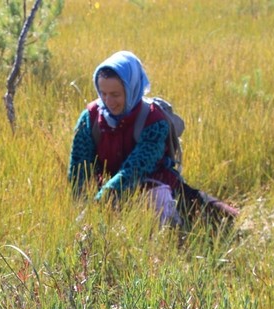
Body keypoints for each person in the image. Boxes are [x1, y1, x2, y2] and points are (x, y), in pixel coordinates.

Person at [68, 50, 238, 226]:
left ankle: (172, 240)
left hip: (152, 186)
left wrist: (98, 204)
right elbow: (79, 169)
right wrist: (82, 206)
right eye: (103, 93)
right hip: (105, 190)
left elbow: (134, 170)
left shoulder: (154, 120)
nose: (108, 101)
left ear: (131, 88)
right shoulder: (90, 118)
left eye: (116, 94)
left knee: (222, 221)